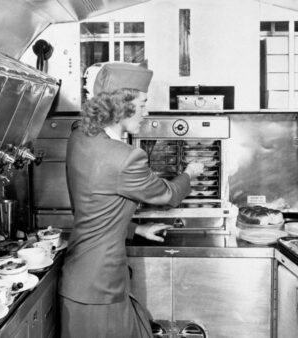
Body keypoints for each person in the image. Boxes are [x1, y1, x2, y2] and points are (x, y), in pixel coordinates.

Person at [59, 62, 204, 338]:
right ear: (120, 106)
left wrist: (136, 229)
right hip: (101, 289)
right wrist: (189, 173)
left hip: (79, 282)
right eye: (142, 104)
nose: (146, 113)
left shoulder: (78, 138)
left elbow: (94, 208)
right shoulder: (124, 157)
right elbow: (168, 195)